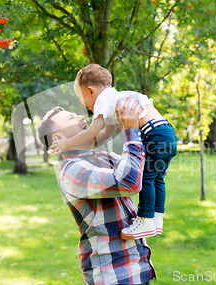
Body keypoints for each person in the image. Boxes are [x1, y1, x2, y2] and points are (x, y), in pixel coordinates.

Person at [50, 64, 177, 240]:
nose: (82, 104)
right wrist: (86, 146)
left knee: (148, 178)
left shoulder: (102, 102)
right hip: (165, 130)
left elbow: (92, 132)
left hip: (152, 133)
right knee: (156, 178)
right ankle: (156, 219)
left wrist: (68, 143)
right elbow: (106, 134)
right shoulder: (113, 100)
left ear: (91, 91)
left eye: (81, 97)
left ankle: (146, 219)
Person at [37, 99, 155, 285]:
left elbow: (143, 170)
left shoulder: (104, 157)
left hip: (137, 268)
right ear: (58, 138)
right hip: (114, 275)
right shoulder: (72, 170)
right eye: (71, 118)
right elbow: (129, 182)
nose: (82, 117)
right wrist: (130, 130)